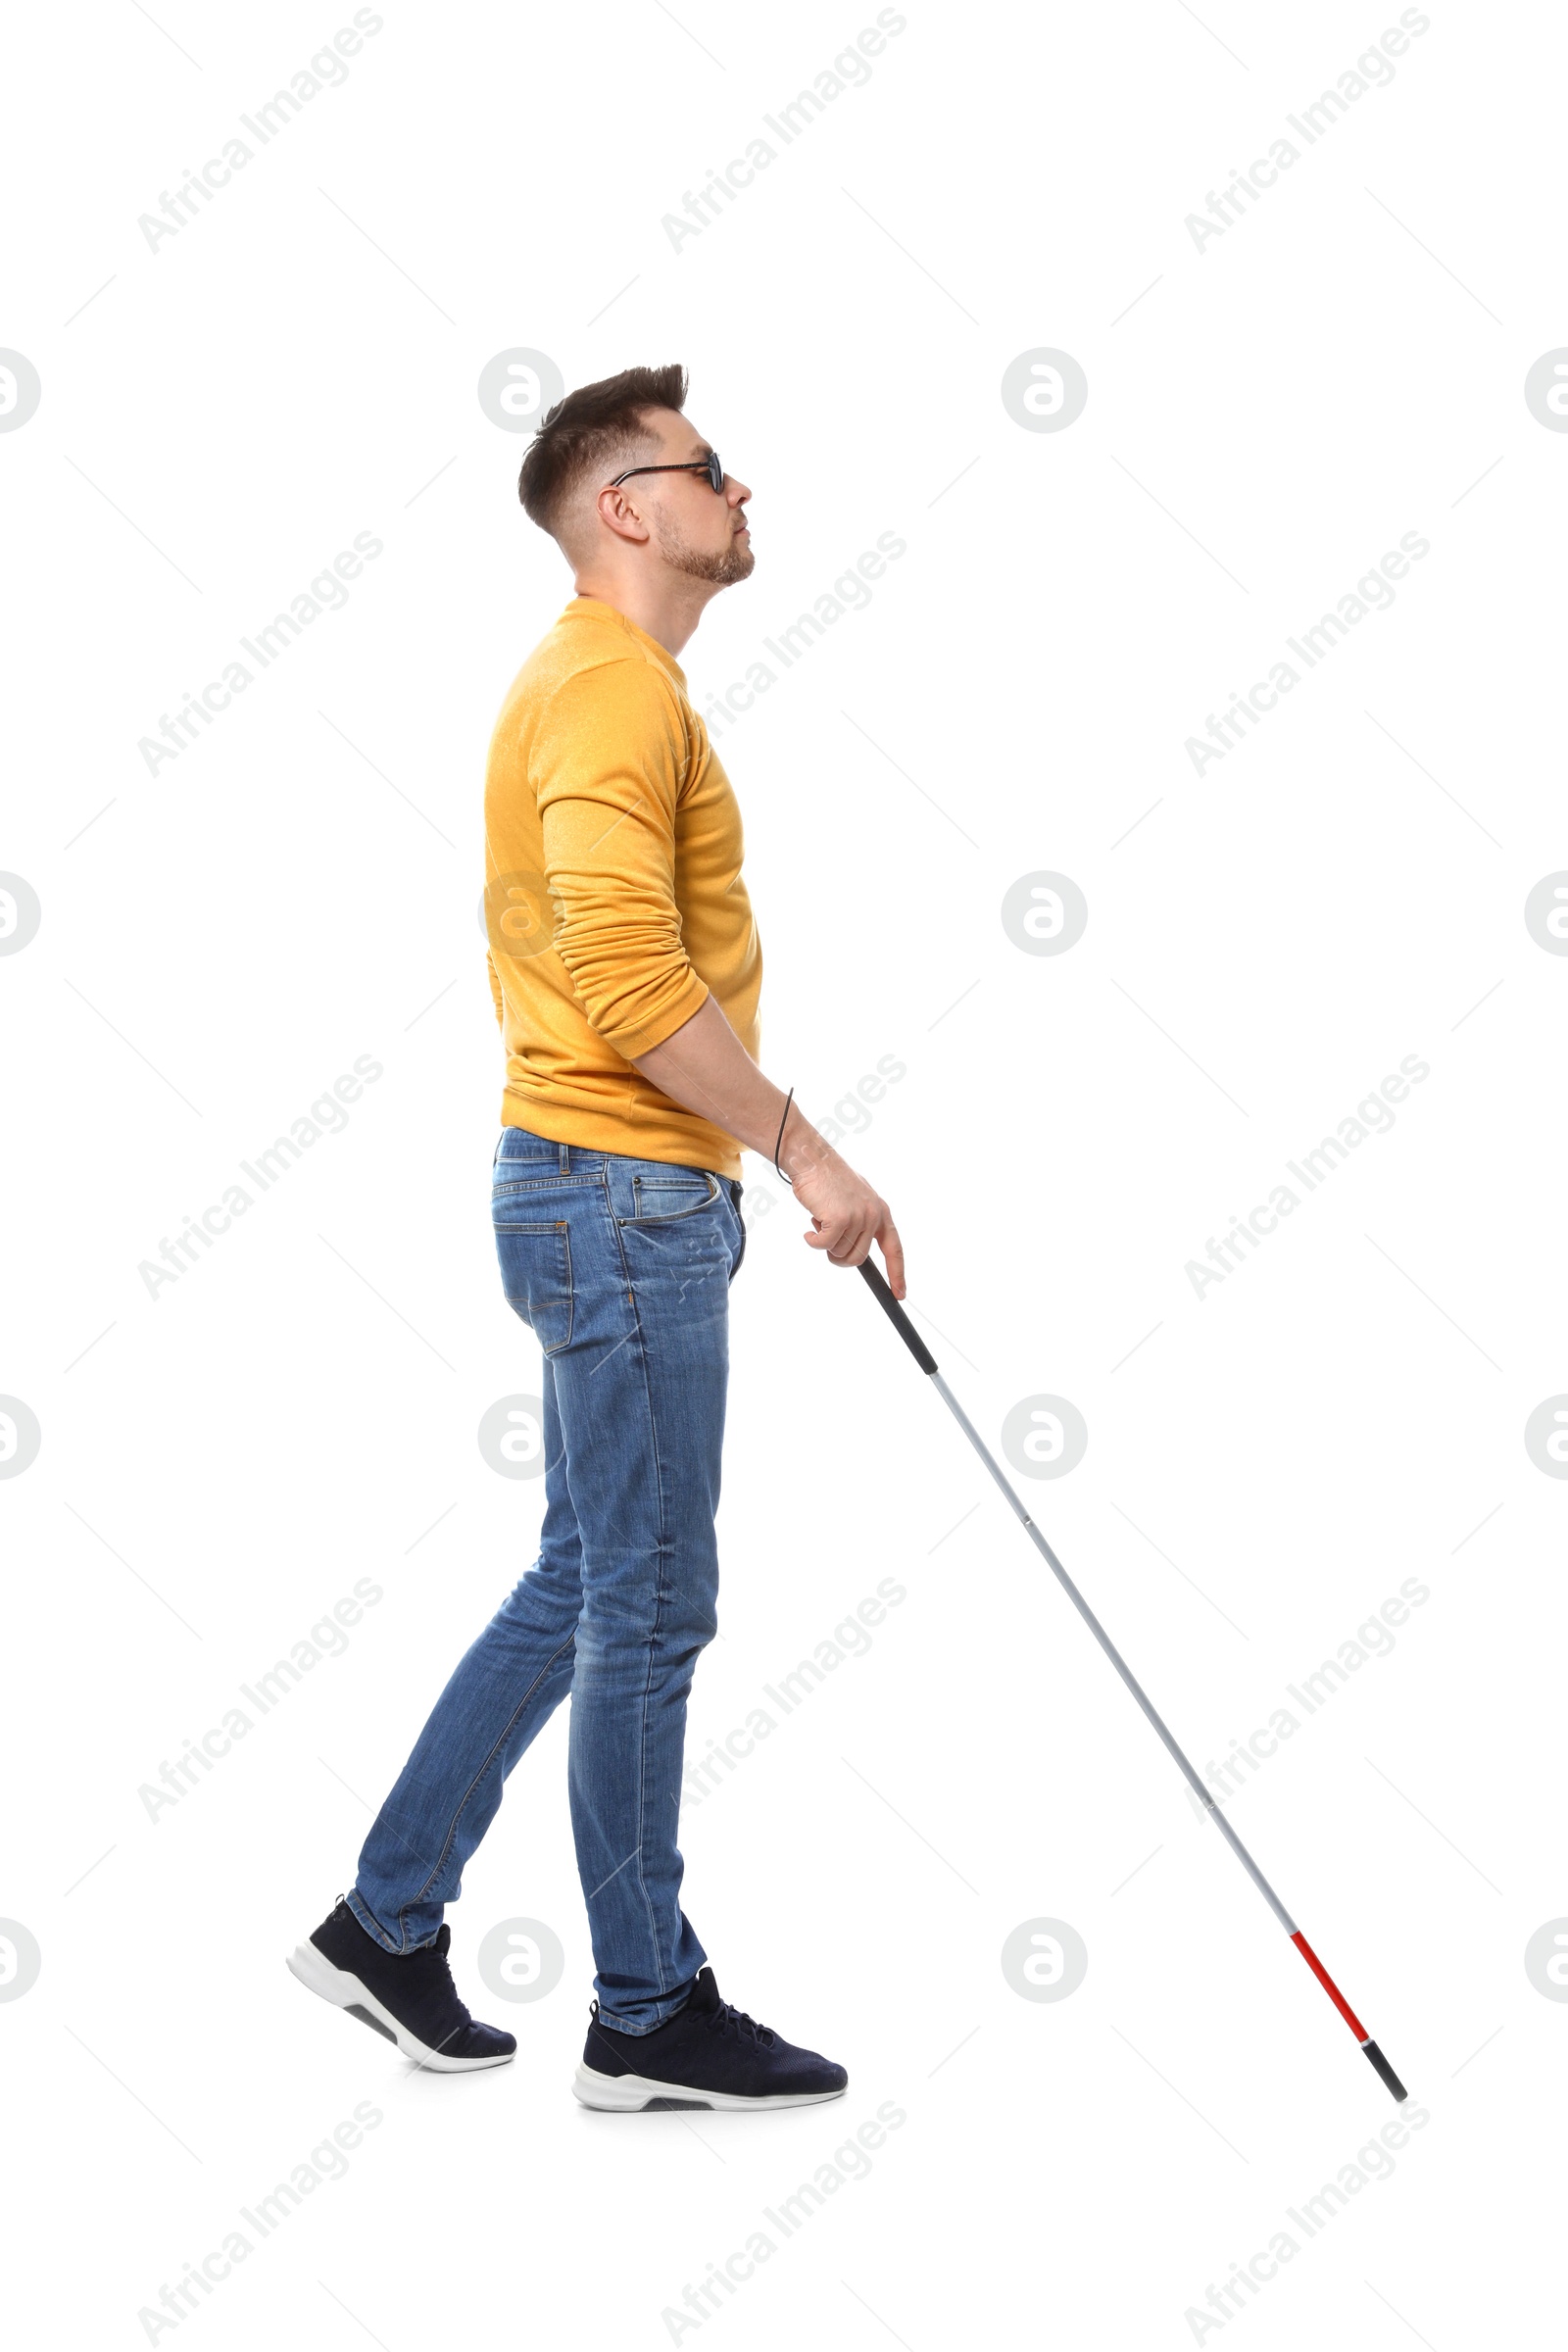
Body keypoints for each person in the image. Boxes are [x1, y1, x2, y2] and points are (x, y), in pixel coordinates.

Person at [288, 365, 906, 2110]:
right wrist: (811, 1157)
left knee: (587, 1585)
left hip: (595, 1188)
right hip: (623, 1196)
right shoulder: (610, 692)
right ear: (626, 505)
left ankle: (382, 1922)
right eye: (713, 472)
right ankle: (646, 2009)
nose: (742, 493)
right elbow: (639, 988)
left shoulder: (604, 690)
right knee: (648, 1606)